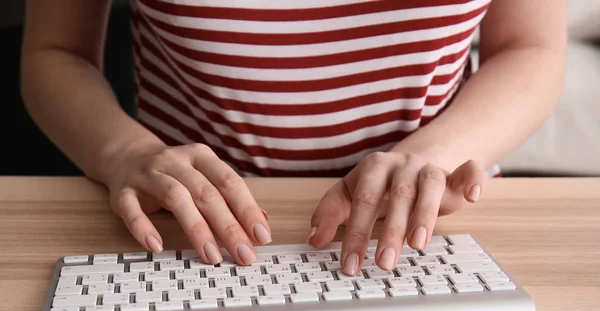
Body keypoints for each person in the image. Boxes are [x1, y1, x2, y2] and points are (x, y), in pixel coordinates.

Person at [20, 0, 566, 276]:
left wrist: (430, 156)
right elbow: (56, 54)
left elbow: (531, 48)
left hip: (432, 223)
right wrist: (124, 151)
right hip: (185, 231)